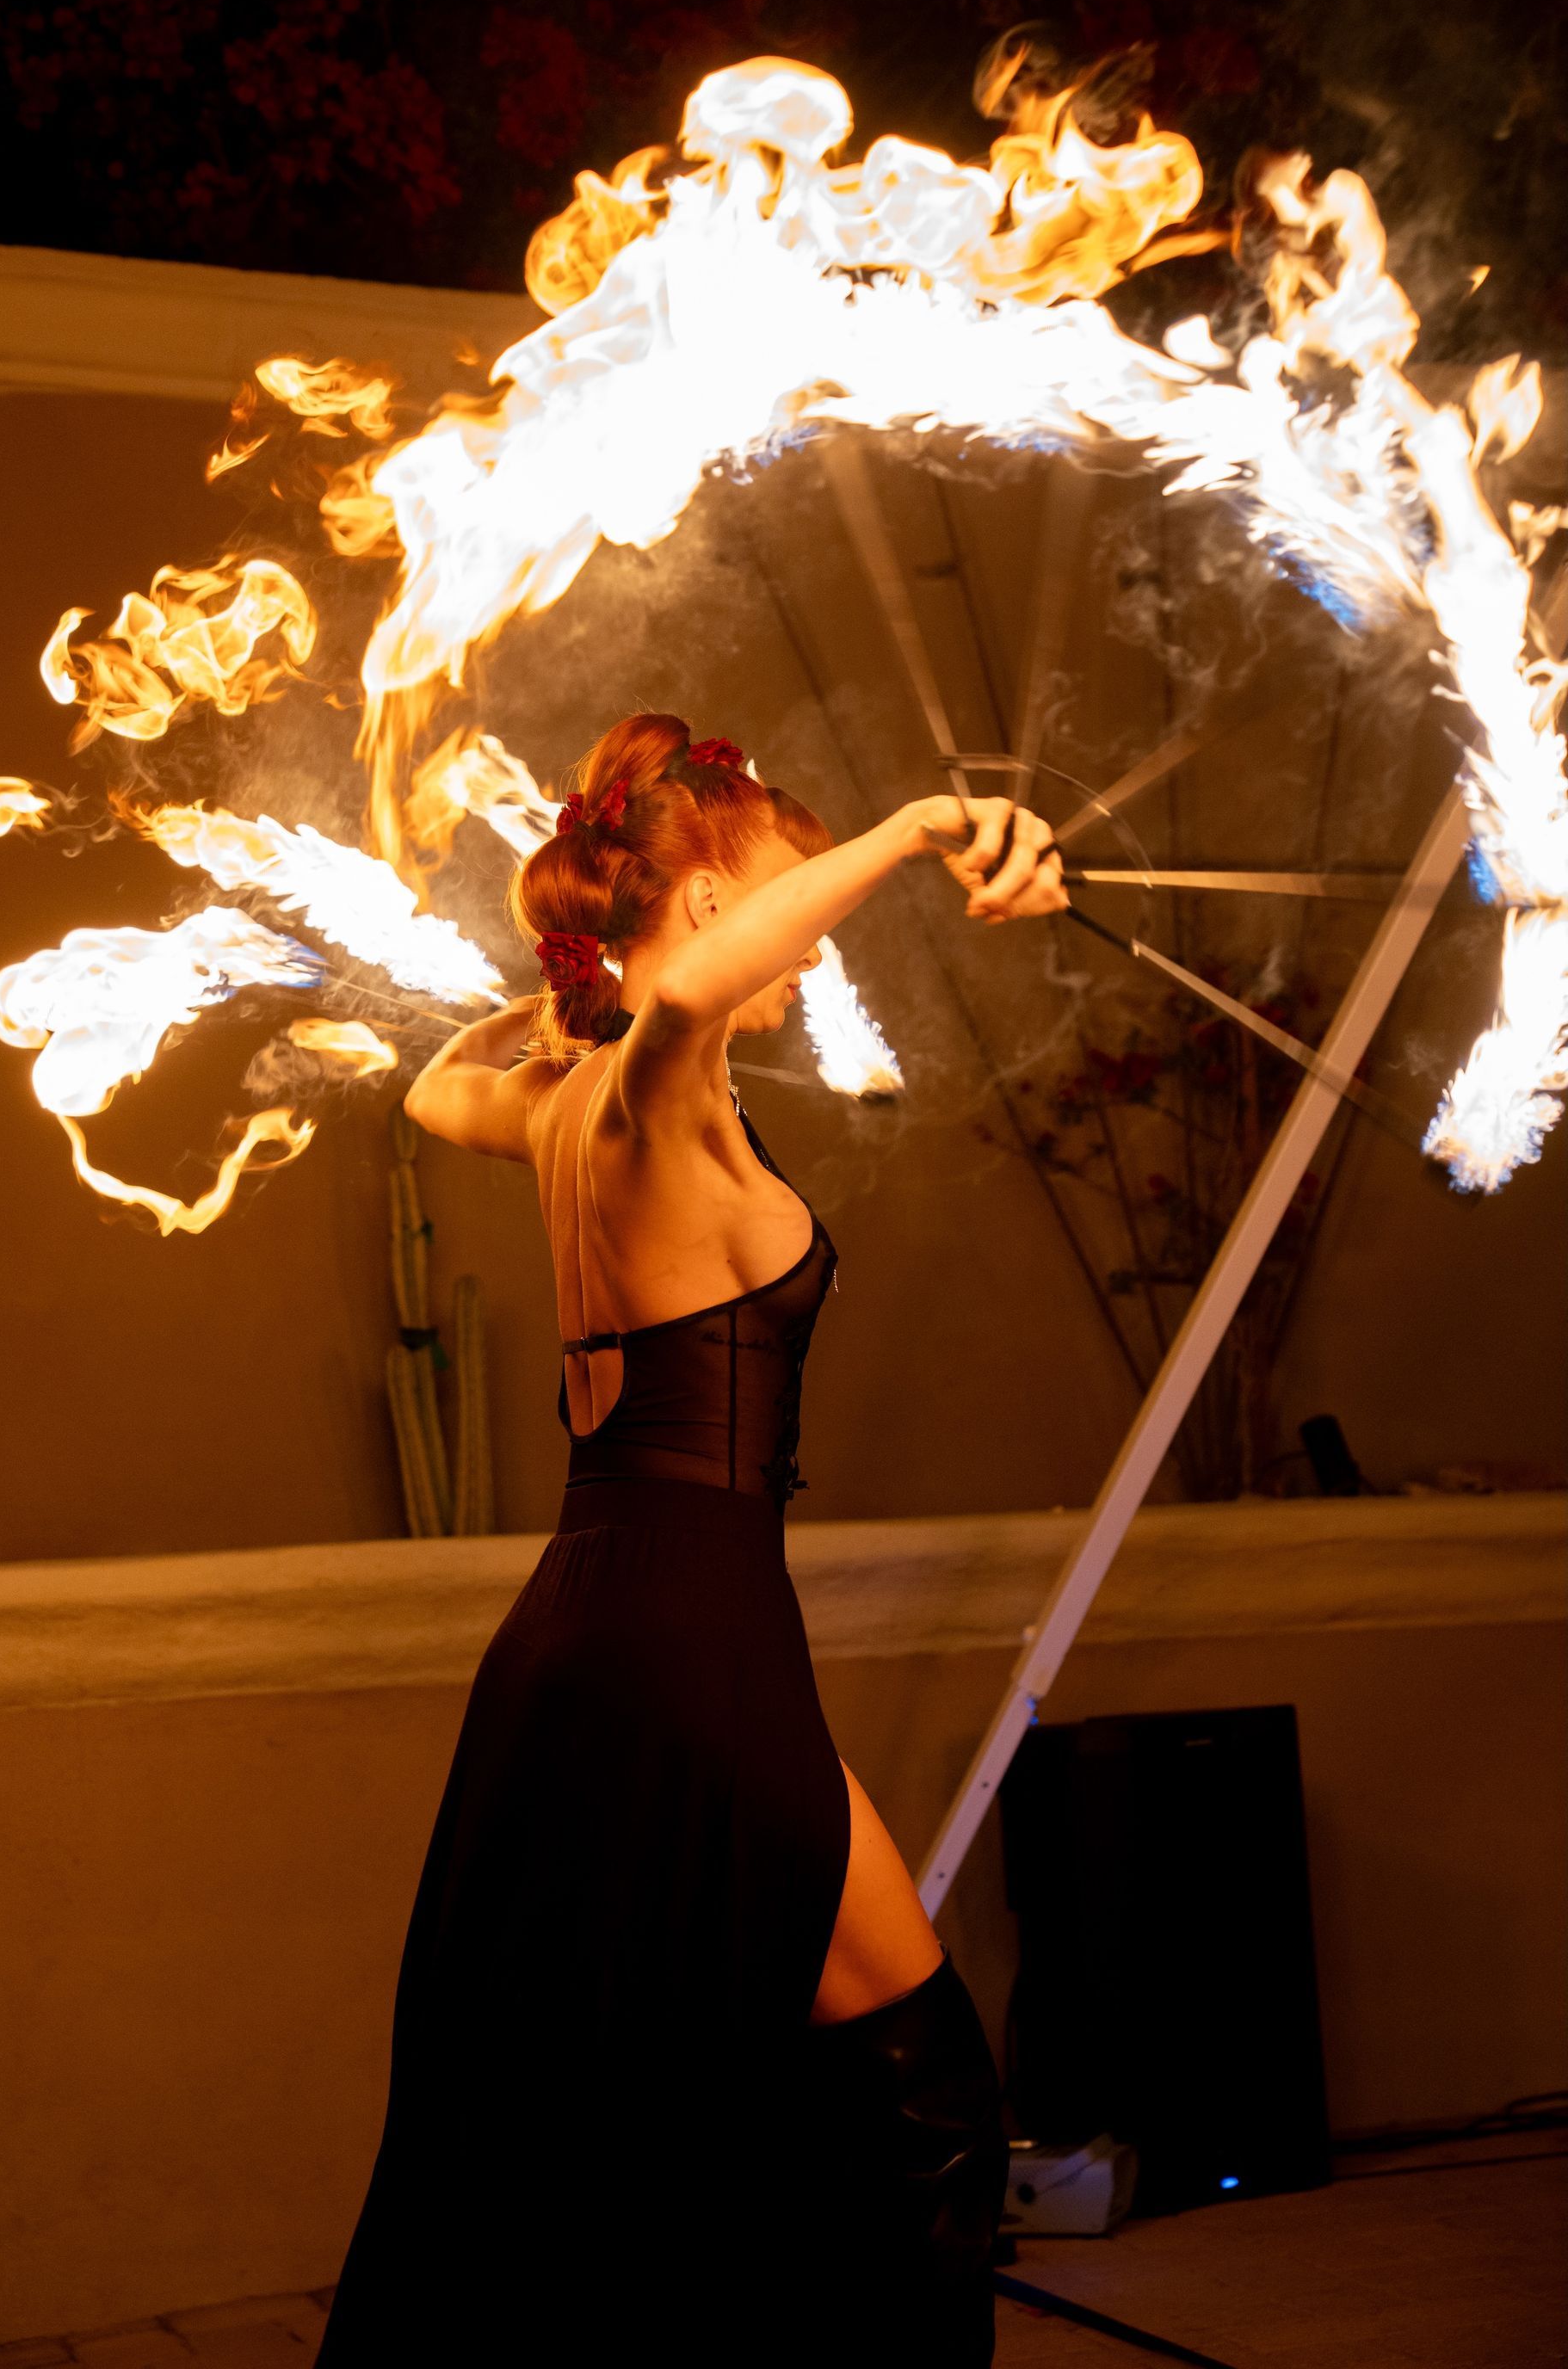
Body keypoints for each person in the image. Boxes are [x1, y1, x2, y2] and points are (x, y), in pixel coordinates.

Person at [316, 713, 1067, 2367]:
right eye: (788, 901)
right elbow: (690, 993)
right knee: (923, 2077)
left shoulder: (570, 1099)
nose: (809, 954)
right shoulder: (649, 1089)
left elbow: (447, 1082)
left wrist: (576, 965)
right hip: (683, 1638)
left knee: (682, 2092)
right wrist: (923, 825)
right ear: (720, 896)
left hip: (609, 1619)